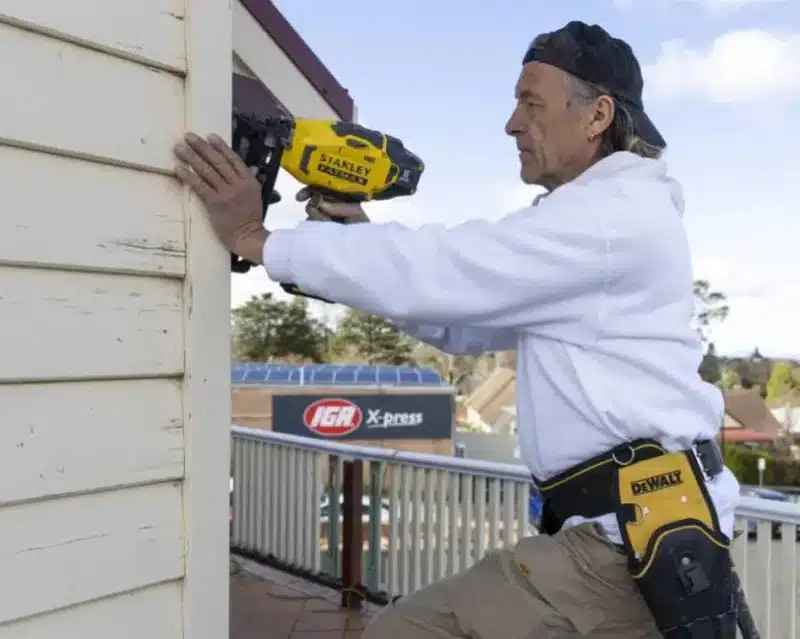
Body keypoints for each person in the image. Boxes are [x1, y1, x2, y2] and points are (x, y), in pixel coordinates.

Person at [174, 20, 741, 639]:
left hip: (619, 547)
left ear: (597, 115)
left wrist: (261, 241)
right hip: (635, 534)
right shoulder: (601, 219)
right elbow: (461, 321)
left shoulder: (611, 217)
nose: (511, 124)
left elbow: (447, 265)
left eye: (531, 103)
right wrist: (356, 243)